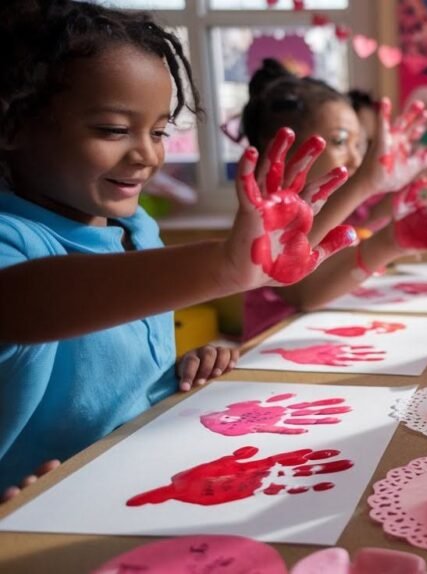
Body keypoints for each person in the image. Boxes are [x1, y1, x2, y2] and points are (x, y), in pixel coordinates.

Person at [0, 1, 356, 498]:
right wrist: (225, 267)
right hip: (39, 506)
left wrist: (182, 367)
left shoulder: (139, 228)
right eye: (113, 130)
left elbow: (118, 378)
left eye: (160, 131)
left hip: (144, 479)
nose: (147, 154)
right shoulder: (12, 239)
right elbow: (28, 304)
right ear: (13, 125)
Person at [239, 60, 427, 341]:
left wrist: (391, 240)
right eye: (339, 142)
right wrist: (367, 187)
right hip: (263, 359)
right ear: (284, 147)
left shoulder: (326, 208)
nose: (357, 159)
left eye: (357, 144)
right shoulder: (261, 216)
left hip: (315, 342)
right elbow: (305, 293)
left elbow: (335, 271)